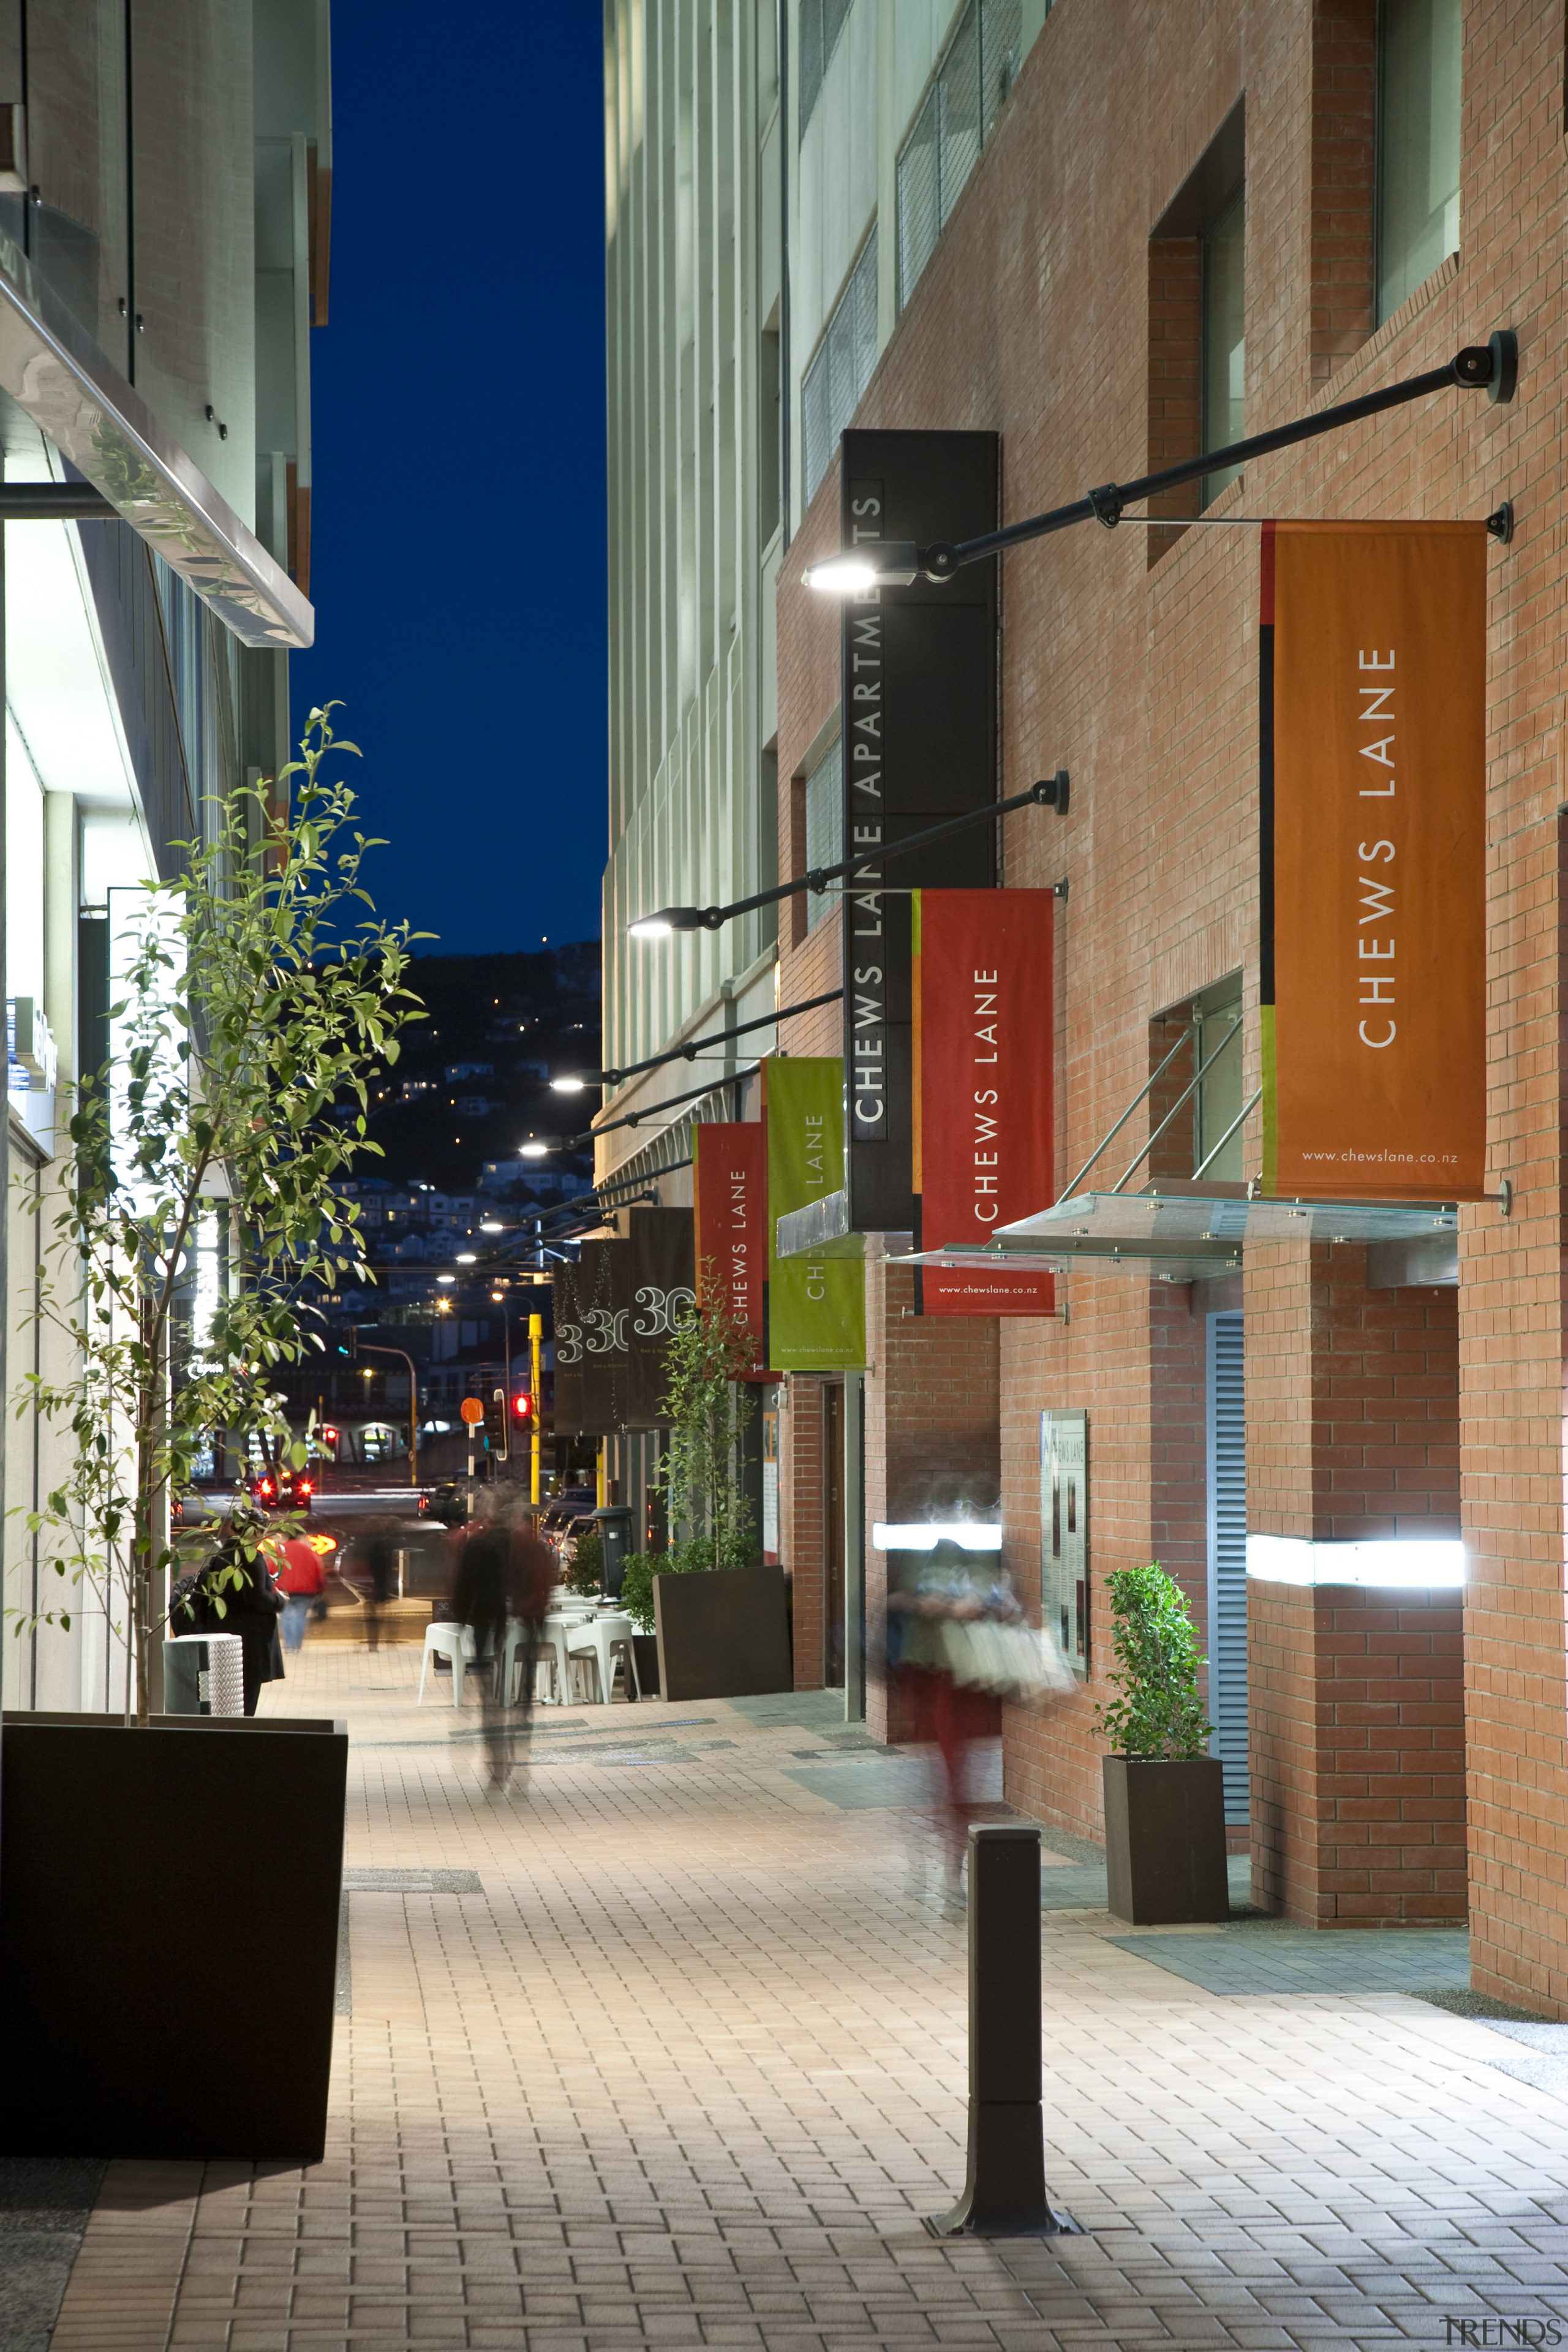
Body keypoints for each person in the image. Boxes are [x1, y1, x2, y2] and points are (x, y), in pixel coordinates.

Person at [173, 1507, 286, 1716]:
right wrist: (280, 1600)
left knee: (230, 1704)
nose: (262, 1536)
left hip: (225, 1640)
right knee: (246, 1705)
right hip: (249, 1643)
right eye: (261, 1531)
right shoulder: (250, 1556)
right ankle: (240, 1743)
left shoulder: (223, 1553)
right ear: (254, 1531)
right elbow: (257, 1599)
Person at [270, 1528, 326, 1653]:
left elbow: (270, 1569)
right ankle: (297, 1646)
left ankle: (289, 1646)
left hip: (284, 1590)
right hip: (306, 1591)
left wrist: (270, 1588)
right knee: (301, 1617)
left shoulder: (280, 1551)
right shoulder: (309, 1551)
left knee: (287, 1617)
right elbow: (319, 1571)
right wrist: (321, 1589)